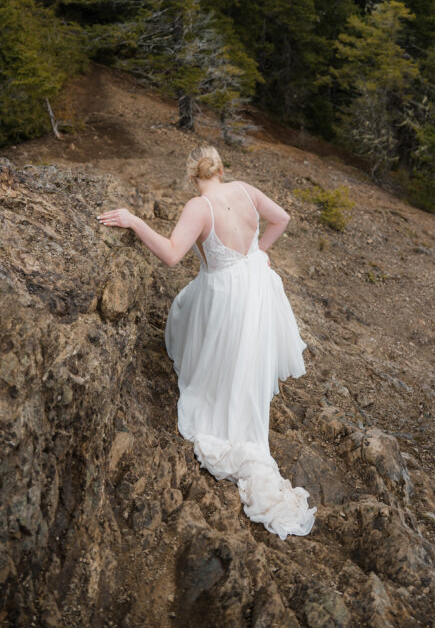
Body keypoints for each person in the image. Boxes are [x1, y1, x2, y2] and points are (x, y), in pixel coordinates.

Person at [97, 144, 316, 539]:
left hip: (227, 295)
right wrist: (257, 254)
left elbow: (171, 254)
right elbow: (281, 219)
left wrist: (133, 220)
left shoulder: (200, 206)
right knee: (233, 342)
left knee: (192, 316)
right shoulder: (245, 190)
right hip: (256, 287)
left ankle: (224, 407)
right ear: (219, 169)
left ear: (192, 175)